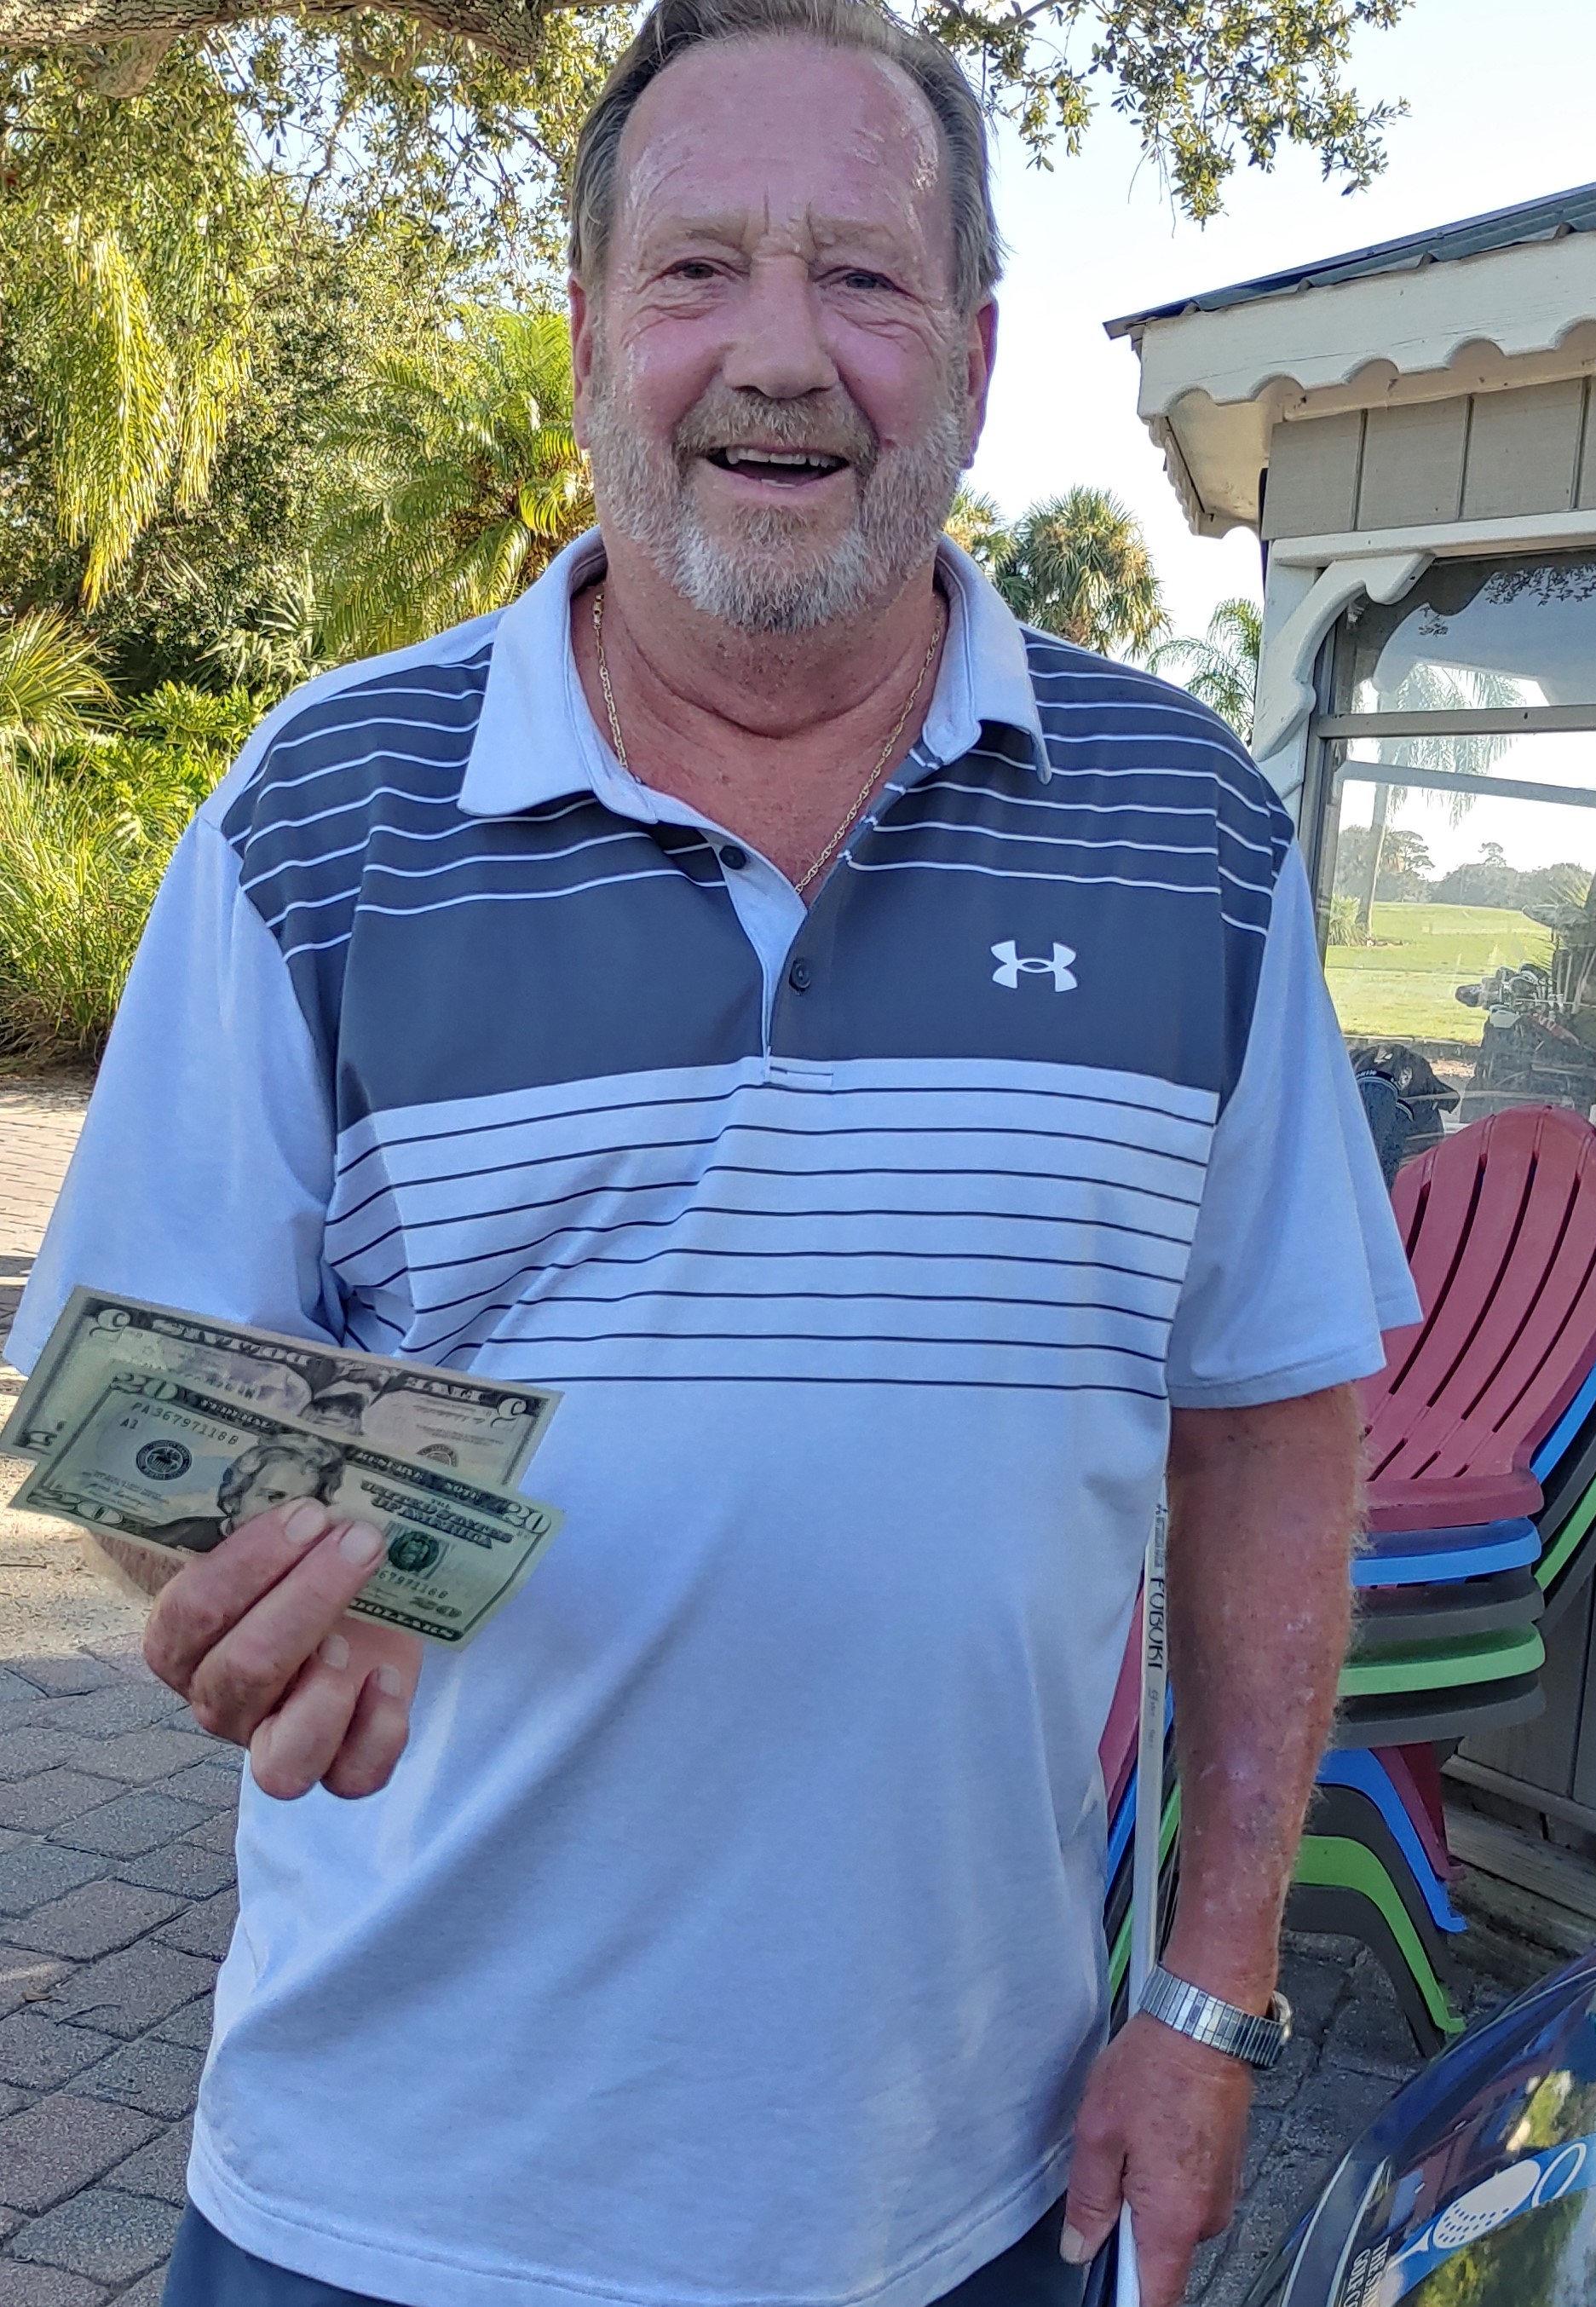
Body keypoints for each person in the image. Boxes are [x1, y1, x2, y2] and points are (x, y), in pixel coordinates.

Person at [6, 2, 1419, 2302]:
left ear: (971, 350)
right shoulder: (322, 811)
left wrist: (1210, 1996)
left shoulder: (1189, 832)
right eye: (698, 270)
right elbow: (136, 1392)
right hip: (385, 2200)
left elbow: (1271, 1420)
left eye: (860, 275)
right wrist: (231, 1582)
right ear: (589, 329)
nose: (780, 353)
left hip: (960, 2197)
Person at [147, 1435, 349, 1554]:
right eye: (272, 1497)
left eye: (300, 1506)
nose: (285, 1515)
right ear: (235, 1497)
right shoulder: (181, 1535)